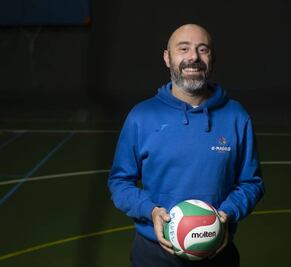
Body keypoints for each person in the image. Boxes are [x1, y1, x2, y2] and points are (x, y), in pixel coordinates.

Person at [108, 23, 264, 267]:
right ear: (167, 58)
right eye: (184, 49)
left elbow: (251, 182)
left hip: (217, 253)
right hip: (154, 254)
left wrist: (228, 213)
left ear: (212, 59)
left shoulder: (236, 116)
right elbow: (119, 182)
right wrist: (151, 211)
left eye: (203, 49)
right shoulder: (141, 116)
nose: (194, 57)